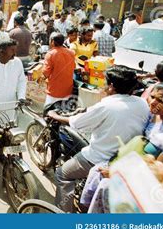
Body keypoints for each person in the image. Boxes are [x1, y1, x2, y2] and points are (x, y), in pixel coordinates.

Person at [48, 65, 150, 212]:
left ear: (112, 86)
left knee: (62, 175)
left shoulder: (106, 105)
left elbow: (76, 122)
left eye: (106, 82)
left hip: (99, 159)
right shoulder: (142, 103)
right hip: (126, 157)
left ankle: (63, 214)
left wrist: (55, 116)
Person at [43, 33, 76, 106]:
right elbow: (74, 67)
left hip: (54, 90)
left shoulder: (50, 54)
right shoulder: (71, 52)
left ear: (52, 41)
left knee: (48, 111)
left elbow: (45, 73)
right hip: (67, 90)